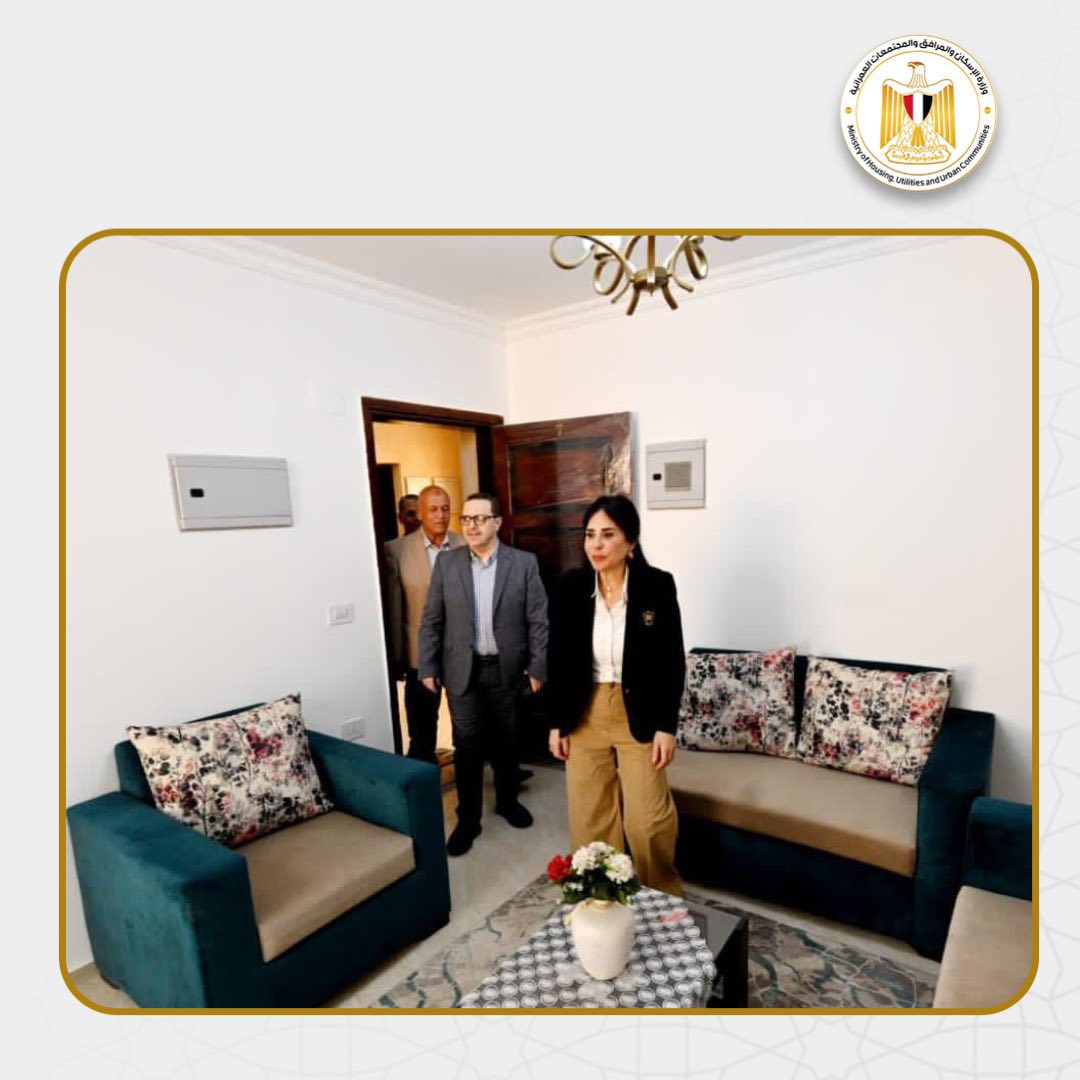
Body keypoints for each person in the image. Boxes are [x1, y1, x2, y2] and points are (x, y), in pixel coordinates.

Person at [546, 494, 686, 895]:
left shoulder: (657, 586)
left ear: (631, 542)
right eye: (590, 535)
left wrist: (666, 726)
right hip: (584, 710)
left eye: (608, 535)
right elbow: (558, 658)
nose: (597, 544)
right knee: (591, 818)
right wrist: (557, 722)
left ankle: (661, 896)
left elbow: (671, 660)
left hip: (638, 712)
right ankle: (603, 899)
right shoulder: (569, 588)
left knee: (647, 821)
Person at [419, 492, 548, 856]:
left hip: (507, 669)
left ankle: (507, 802)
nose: (472, 526)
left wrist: (538, 667)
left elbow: (539, 620)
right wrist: (427, 666)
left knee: (506, 740)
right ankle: (468, 820)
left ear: (497, 522)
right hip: (462, 670)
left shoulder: (523, 564)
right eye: (466, 519)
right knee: (467, 745)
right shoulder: (448, 564)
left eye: (480, 519)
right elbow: (432, 619)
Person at [383, 485, 464, 763]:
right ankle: (424, 777)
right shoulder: (397, 550)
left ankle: (470, 778)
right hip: (420, 653)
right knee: (422, 729)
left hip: (461, 651)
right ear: (420, 514)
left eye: (445, 509)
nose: (441, 515)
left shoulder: (464, 544)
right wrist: (397, 656)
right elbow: (396, 607)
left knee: (467, 725)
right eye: (433, 509)